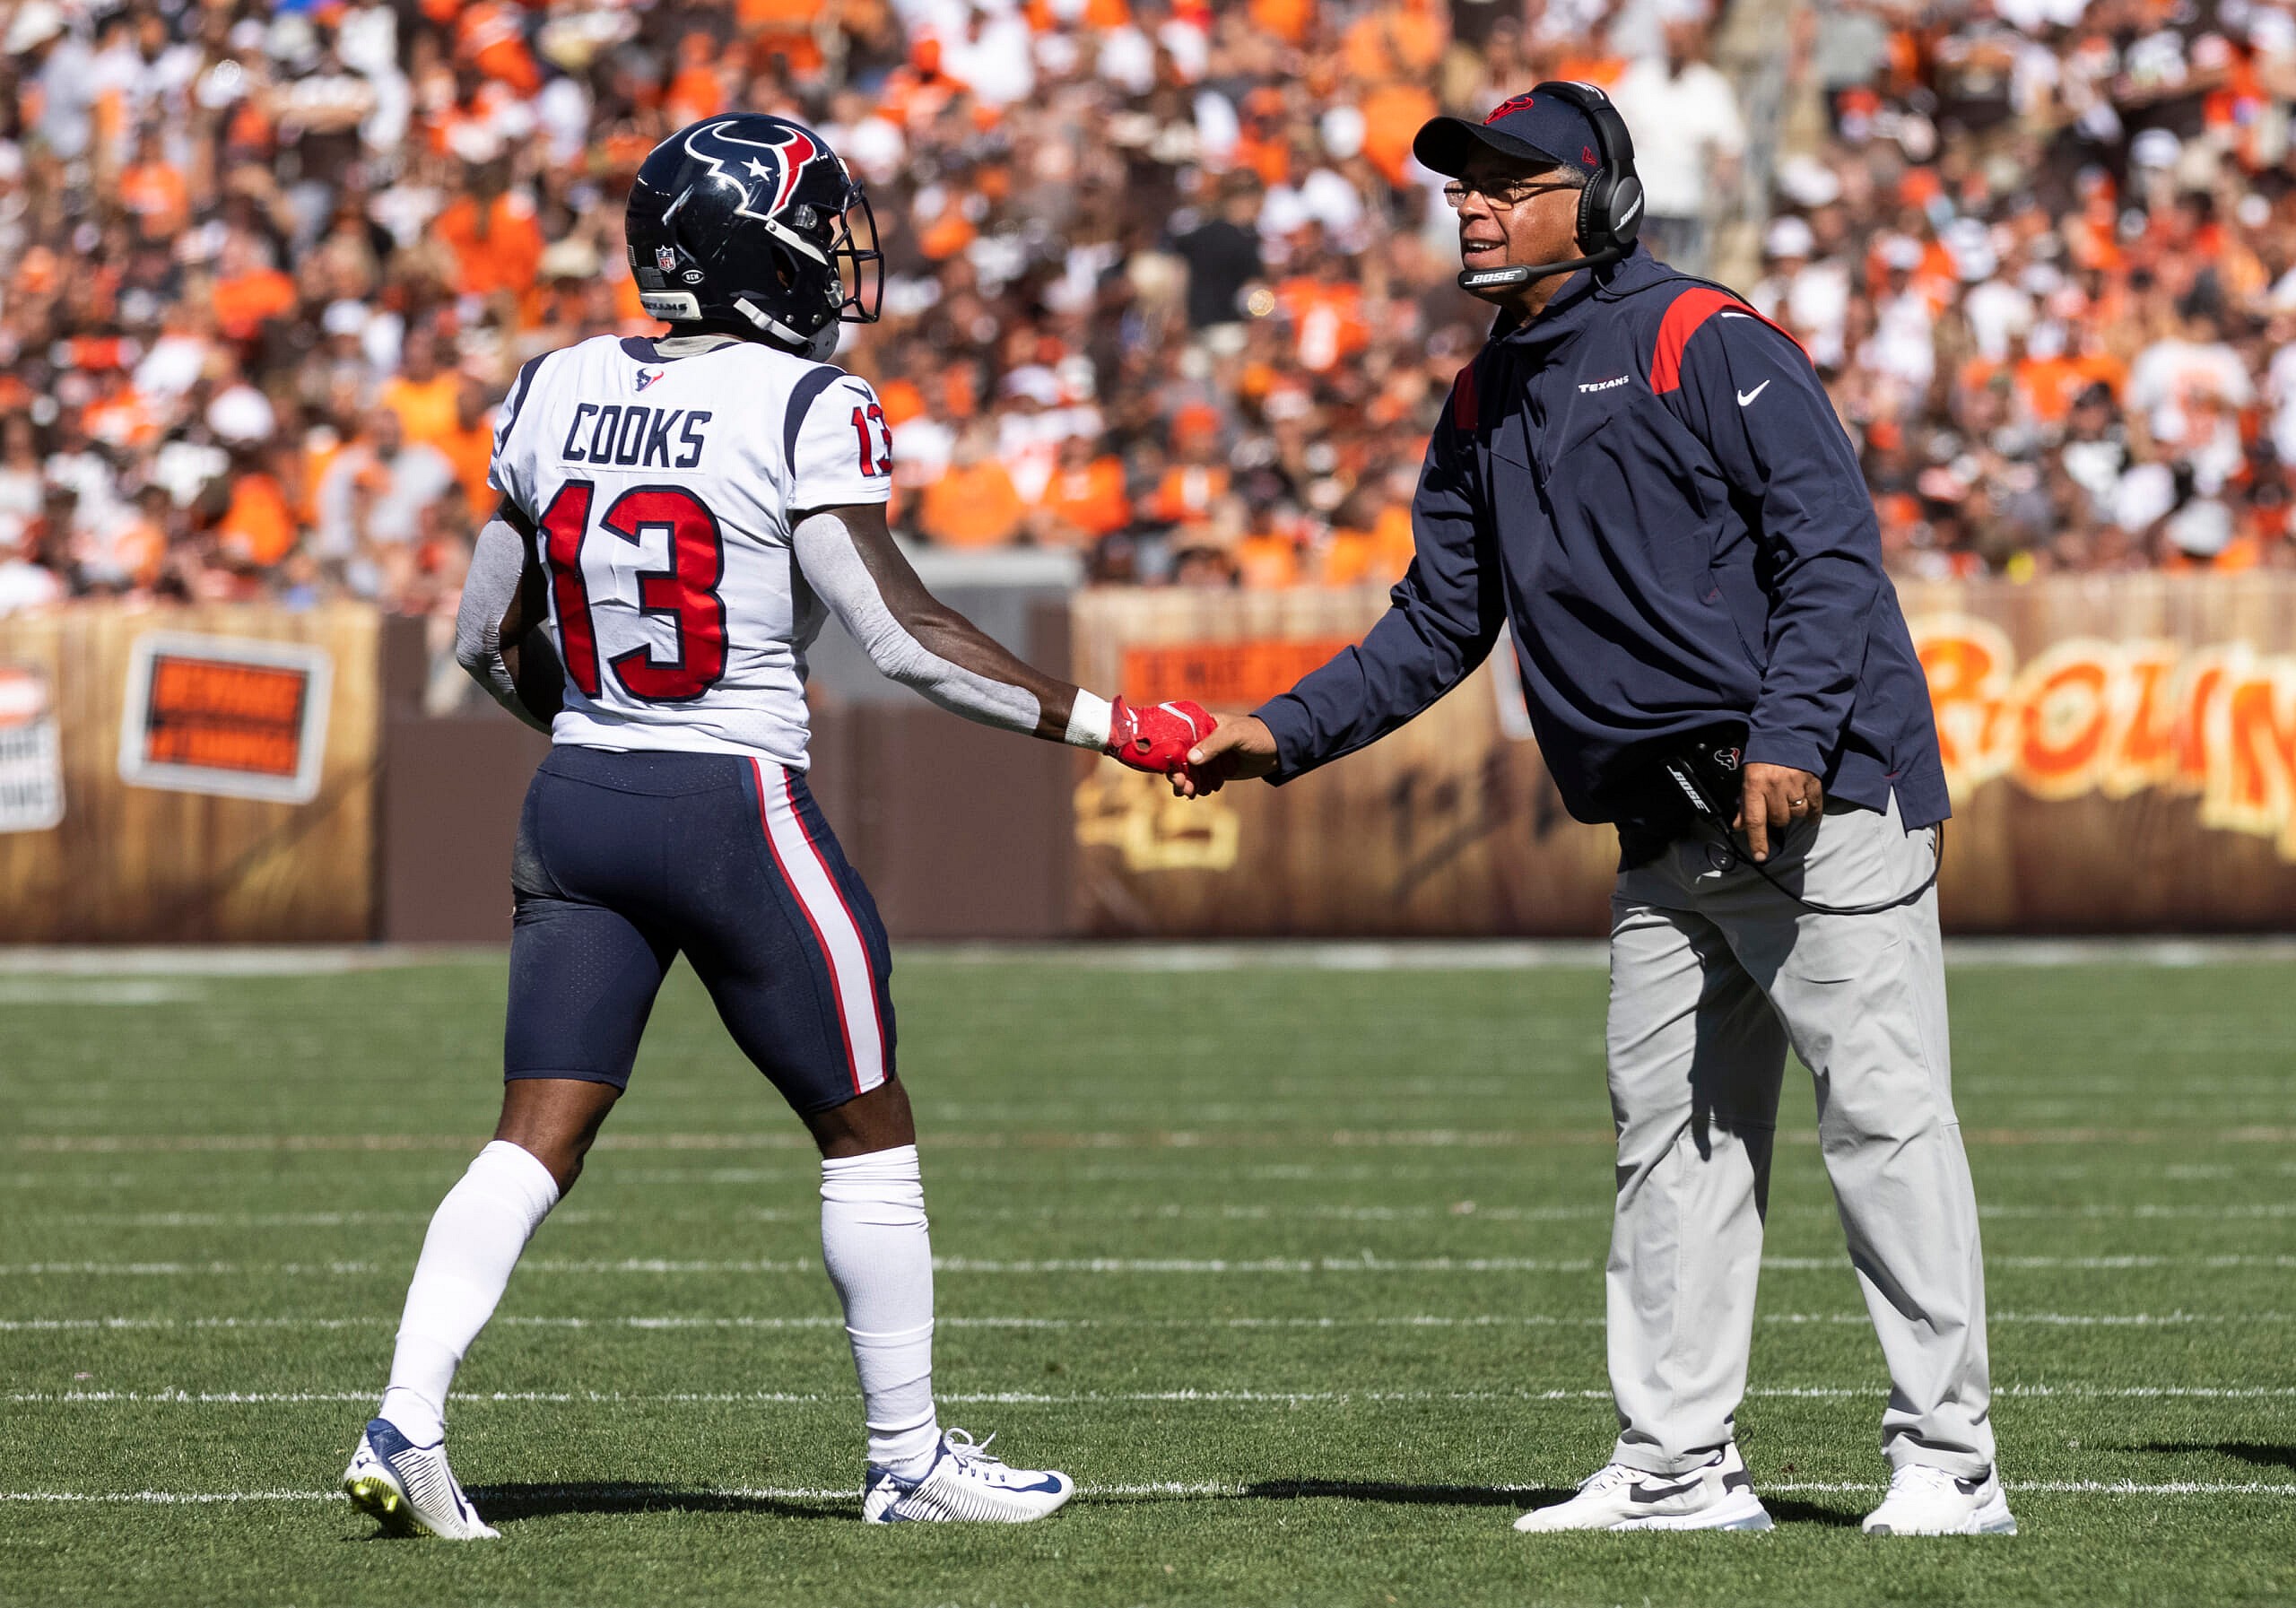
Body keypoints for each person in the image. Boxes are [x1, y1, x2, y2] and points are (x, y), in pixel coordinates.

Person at [341, 114, 1213, 1541]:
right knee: (866, 1127)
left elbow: (482, 640)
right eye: (816, 227)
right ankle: (908, 1453)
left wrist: (604, 737)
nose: (834, 259)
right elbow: (905, 636)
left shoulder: (548, 386)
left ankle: (409, 1414)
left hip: (577, 795)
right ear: (757, 251)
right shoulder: (808, 405)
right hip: (734, 801)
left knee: (532, 1136)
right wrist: (1112, 723)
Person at [1179, 83, 2013, 1539]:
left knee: (1883, 1122)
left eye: (1509, 179)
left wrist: (1791, 733)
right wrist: (1280, 733)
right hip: (1659, 826)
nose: (1473, 202)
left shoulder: (1711, 337)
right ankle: (1680, 1469)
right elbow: (1439, 619)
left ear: (1602, 195)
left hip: (1819, 800)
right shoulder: (1484, 391)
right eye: (1461, 182)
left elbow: (1831, 554)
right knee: (1669, 1144)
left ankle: (1951, 1462)